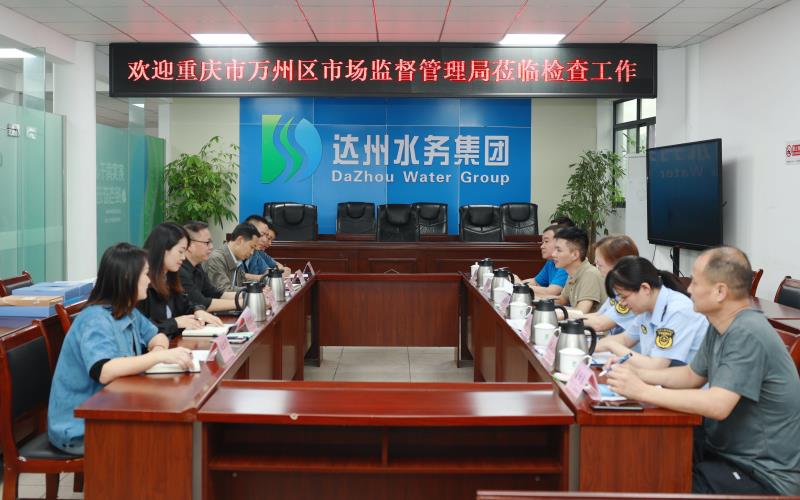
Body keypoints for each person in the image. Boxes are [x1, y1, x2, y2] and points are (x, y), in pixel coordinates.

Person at [607, 247, 800, 495]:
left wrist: (643, 391)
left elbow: (718, 405)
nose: (689, 289)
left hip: (761, 473)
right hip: (722, 451)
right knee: (643, 460)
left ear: (720, 291)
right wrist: (636, 375)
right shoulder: (719, 326)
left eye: (696, 283)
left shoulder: (747, 331)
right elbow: (690, 376)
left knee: (656, 480)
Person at [48, 243, 194, 455]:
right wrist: (159, 357)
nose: (149, 280)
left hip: (114, 407)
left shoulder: (127, 310)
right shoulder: (95, 319)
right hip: (80, 425)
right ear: (128, 277)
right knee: (167, 439)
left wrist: (158, 349)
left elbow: (157, 335)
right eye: (145, 274)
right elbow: (104, 371)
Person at [595, 256, 708, 368]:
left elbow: (656, 365)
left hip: (681, 379)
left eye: (624, 297)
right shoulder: (646, 308)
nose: (622, 303)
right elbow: (625, 339)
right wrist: (590, 348)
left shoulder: (677, 311)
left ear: (645, 288)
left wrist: (611, 345)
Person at [138, 222, 222, 338]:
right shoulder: (142, 284)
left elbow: (185, 305)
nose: (183, 257)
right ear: (163, 250)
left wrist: (197, 311)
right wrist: (175, 323)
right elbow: (140, 330)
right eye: (180, 251)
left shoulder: (170, 277)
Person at [580, 235, 640, 334]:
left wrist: (569, 321)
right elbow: (600, 315)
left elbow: (600, 323)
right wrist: (567, 317)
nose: (597, 268)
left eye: (599, 265)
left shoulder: (632, 293)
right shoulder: (617, 288)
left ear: (618, 265)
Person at [180, 220, 238, 313]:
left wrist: (246, 295)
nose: (211, 247)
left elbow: (215, 293)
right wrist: (242, 302)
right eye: (207, 242)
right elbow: (201, 303)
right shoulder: (179, 270)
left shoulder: (197, 266)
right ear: (189, 245)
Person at [551, 226, 606, 314]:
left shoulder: (590, 274)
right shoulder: (573, 273)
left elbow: (580, 312)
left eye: (559, 250)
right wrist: (536, 300)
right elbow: (562, 300)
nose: (553, 254)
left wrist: (553, 314)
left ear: (575, 255)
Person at [205, 222, 261, 292]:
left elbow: (243, 279)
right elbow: (224, 290)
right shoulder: (216, 258)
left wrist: (261, 286)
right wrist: (254, 290)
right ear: (240, 240)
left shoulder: (237, 259)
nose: (252, 253)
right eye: (251, 247)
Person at [520, 224, 569, 296]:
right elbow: (536, 282)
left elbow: (552, 292)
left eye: (546, 241)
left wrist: (520, 286)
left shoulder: (566, 263)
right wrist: (517, 283)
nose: (541, 246)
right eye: (542, 242)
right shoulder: (551, 261)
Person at [241, 214, 290, 279]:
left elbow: (266, 271)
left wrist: (279, 272)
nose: (265, 240)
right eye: (263, 234)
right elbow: (239, 276)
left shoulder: (256, 252)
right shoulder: (236, 251)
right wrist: (261, 278)